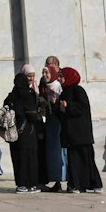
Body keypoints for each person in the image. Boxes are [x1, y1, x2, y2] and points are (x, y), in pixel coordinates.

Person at [2, 72, 42, 192]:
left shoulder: (10, 96)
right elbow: (32, 114)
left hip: (14, 132)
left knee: (18, 158)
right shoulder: (28, 95)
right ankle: (31, 184)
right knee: (30, 158)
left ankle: (21, 184)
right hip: (28, 131)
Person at [38, 57, 67, 191]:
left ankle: (64, 178)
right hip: (50, 120)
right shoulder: (44, 82)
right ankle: (56, 179)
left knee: (61, 151)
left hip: (59, 120)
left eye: (50, 65)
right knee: (53, 151)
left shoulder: (60, 81)